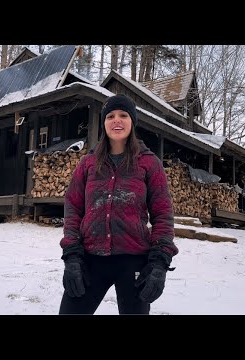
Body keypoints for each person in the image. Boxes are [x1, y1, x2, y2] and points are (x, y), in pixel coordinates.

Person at [59, 94, 178, 315]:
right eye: (111, 116)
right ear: (104, 123)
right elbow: (73, 208)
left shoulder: (149, 163)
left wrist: (160, 262)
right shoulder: (88, 163)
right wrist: (72, 256)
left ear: (132, 122)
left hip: (133, 261)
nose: (117, 120)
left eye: (123, 115)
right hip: (90, 258)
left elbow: (162, 214)